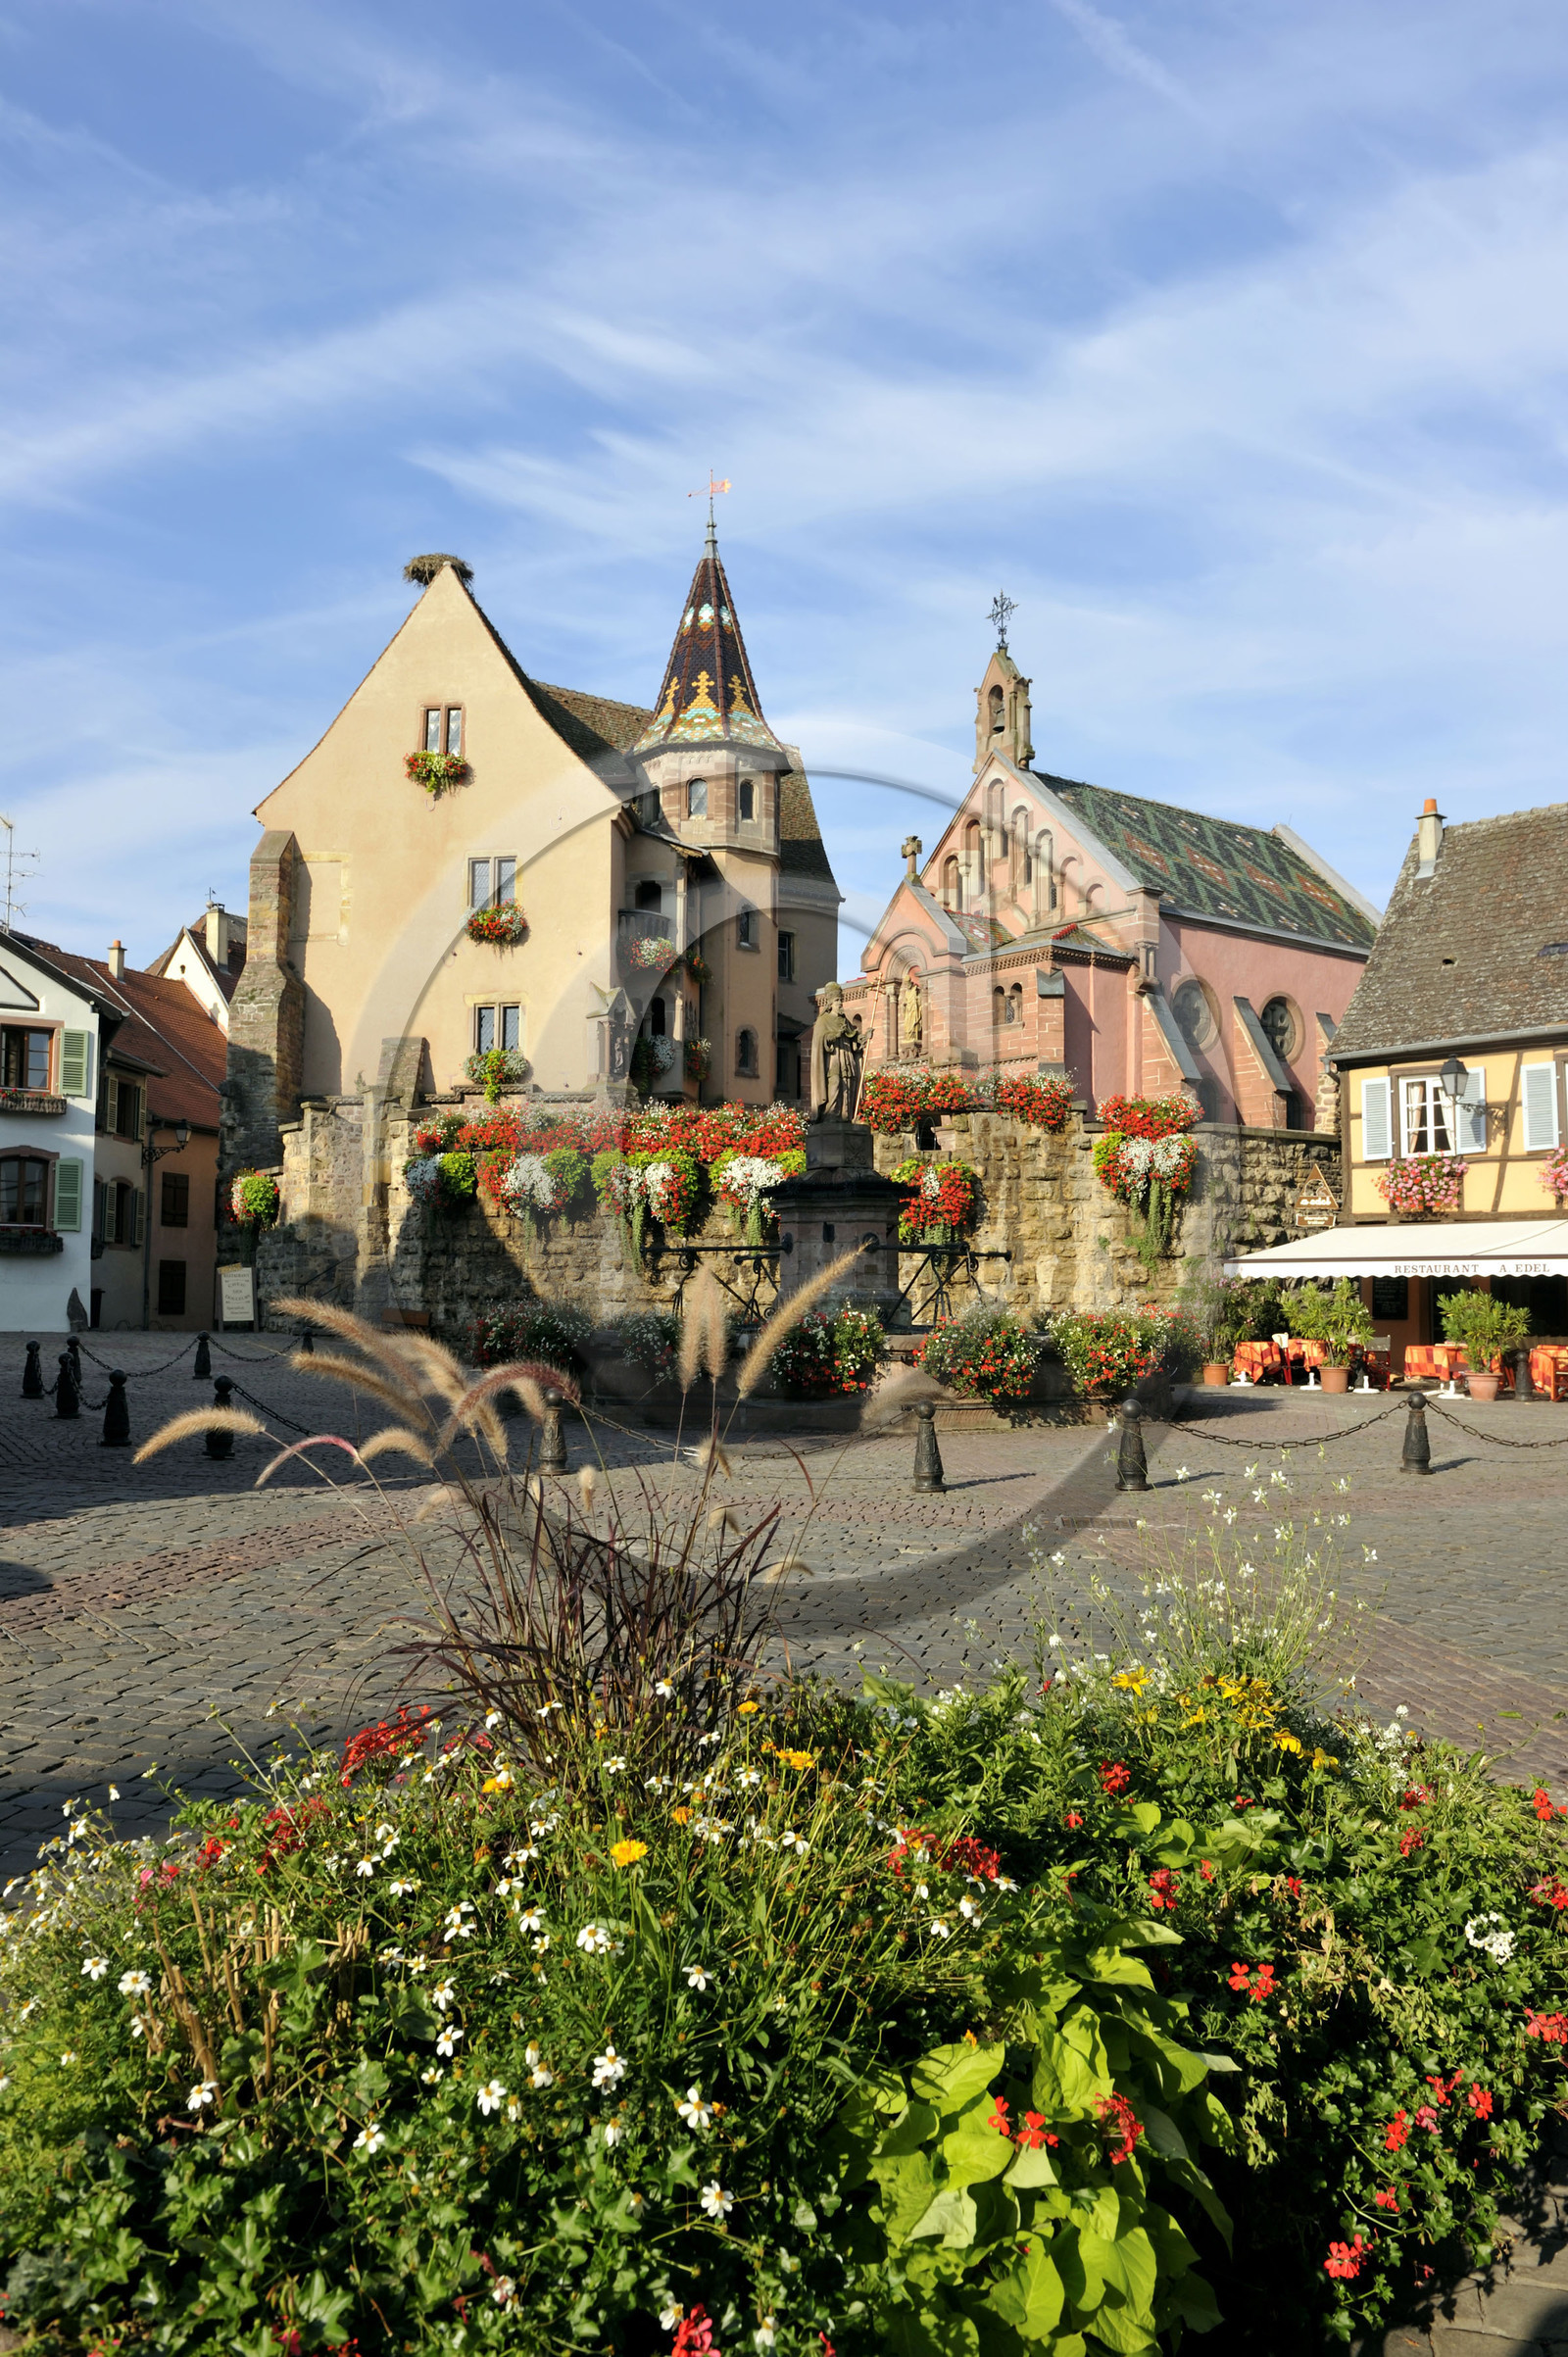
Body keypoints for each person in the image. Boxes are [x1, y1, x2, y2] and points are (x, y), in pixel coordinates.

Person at [808, 981, 864, 1122]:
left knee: (848, 1085)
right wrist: (833, 1036)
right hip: (833, 1059)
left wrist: (863, 1038)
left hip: (846, 1058)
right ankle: (831, 1115)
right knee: (835, 1084)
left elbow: (854, 1038)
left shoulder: (844, 1020)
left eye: (841, 1000)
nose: (840, 1003)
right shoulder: (823, 1021)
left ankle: (845, 1116)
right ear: (830, 1003)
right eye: (837, 1001)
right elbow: (820, 1041)